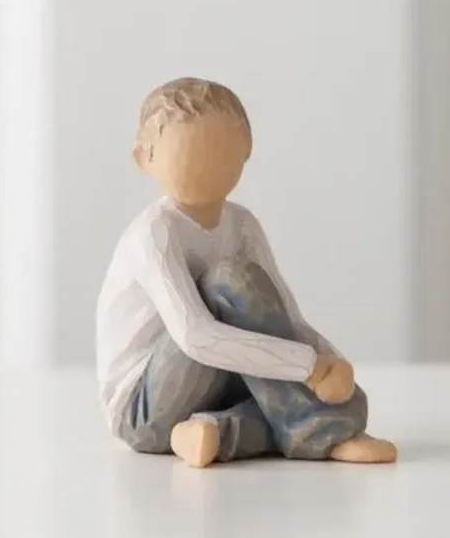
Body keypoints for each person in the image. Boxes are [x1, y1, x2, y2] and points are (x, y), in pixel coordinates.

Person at [96, 77, 397, 467]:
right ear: (144, 158)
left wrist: (332, 363)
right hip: (144, 408)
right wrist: (308, 366)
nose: (204, 166)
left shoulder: (242, 224)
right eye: (187, 153)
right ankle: (326, 431)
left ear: (246, 151)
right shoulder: (154, 233)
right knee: (229, 282)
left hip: (218, 384)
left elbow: (285, 320)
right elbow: (195, 336)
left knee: (311, 398)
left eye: (220, 152)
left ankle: (212, 432)